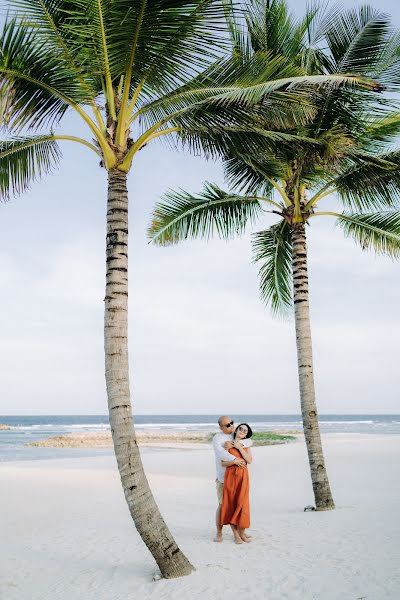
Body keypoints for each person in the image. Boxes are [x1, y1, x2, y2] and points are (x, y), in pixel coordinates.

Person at [212, 416, 252, 543]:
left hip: (238, 479)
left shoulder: (235, 435)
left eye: (232, 423)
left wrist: (239, 444)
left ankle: (240, 533)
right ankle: (219, 532)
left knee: (238, 505)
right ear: (221, 427)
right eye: (228, 425)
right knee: (222, 505)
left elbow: (248, 441)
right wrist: (234, 460)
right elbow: (221, 455)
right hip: (223, 478)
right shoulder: (218, 438)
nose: (231, 426)